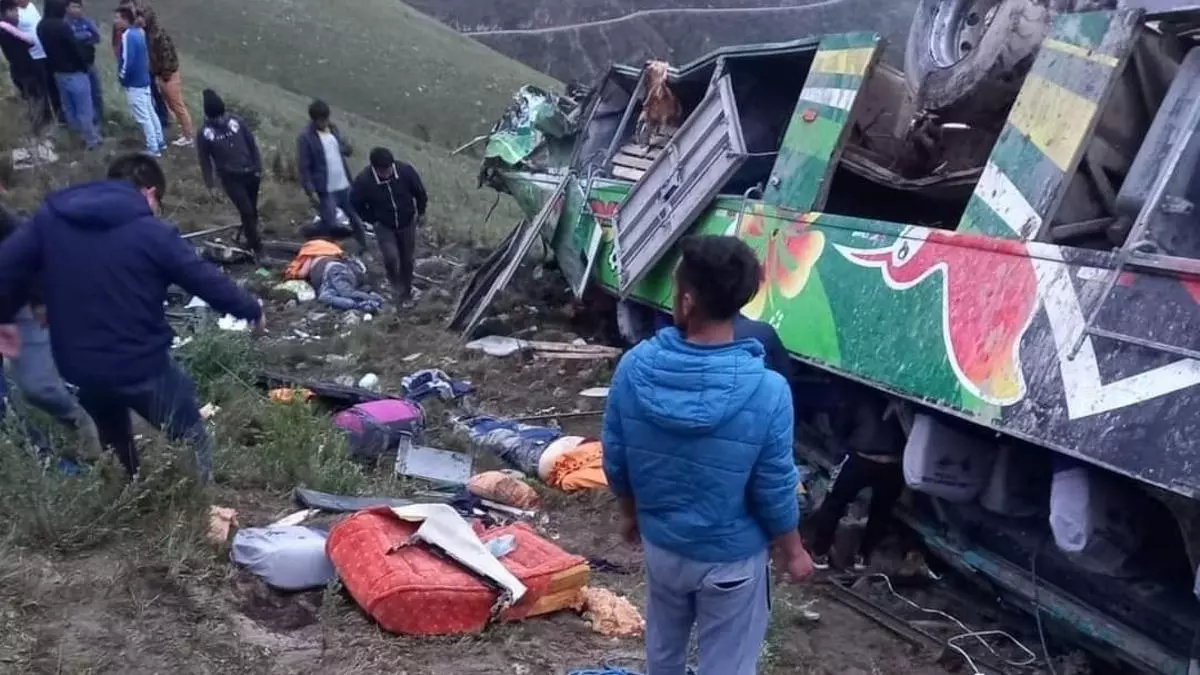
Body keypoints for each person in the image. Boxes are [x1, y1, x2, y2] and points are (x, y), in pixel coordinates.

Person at [602, 235, 814, 675]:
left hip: (663, 547)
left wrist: (629, 515)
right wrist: (793, 551)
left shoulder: (634, 367)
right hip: (731, 562)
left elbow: (616, 458)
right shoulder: (768, 390)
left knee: (663, 654)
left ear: (687, 299)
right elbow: (774, 487)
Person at [0, 153, 263, 484]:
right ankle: (200, 499)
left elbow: (6, 268)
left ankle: (127, 488)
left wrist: (7, 316)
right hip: (141, 364)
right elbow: (205, 279)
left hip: (82, 368)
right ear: (149, 192)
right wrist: (251, 309)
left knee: (114, 438)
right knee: (190, 434)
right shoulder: (152, 233)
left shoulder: (49, 220)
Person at [0, 203, 102, 458]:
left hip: (16, 303)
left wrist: (39, 300)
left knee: (38, 386)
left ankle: (83, 422)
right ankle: (36, 456)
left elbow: (27, 248)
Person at [805, 390, 906, 571]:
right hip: (893, 462)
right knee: (881, 511)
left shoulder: (862, 396)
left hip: (861, 458)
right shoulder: (905, 402)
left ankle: (820, 552)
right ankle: (864, 557)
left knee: (834, 502)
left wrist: (842, 446)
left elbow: (841, 426)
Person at [350, 147, 427, 308]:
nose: (387, 173)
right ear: (374, 168)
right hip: (384, 225)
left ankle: (406, 291)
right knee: (391, 257)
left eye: (389, 168)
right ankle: (394, 283)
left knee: (407, 258)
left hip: (407, 222)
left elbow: (420, 192)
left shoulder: (405, 171)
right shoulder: (364, 181)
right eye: (382, 170)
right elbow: (355, 202)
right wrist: (371, 219)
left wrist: (421, 212)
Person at [196, 89, 263, 258]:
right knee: (246, 210)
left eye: (222, 115)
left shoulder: (237, 122)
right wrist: (210, 184)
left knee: (252, 210)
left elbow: (251, 144)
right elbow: (204, 160)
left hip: (250, 173)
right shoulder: (204, 133)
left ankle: (250, 237)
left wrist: (258, 168)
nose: (220, 120)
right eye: (216, 117)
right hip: (230, 178)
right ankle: (257, 246)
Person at [297, 99, 368, 253]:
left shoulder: (334, 130)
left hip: (344, 185)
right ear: (314, 119)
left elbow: (345, 150)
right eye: (321, 120)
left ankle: (363, 248)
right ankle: (327, 250)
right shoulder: (306, 137)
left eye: (326, 119)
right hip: (325, 189)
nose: (325, 123)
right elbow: (304, 167)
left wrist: (347, 147)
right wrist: (311, 191)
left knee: (356, 219)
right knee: (330, 223)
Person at [37, 0, 100, 148]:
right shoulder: (62, 26)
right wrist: (83, 66)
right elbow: (74, 49)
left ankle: (75, 137)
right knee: (84, 109)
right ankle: (92, 141)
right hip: (75, 72)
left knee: (69, 107)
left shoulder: (41, 26)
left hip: (58, 72)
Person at [111, 0, 167, 132]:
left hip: (138, 73)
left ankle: (155, 135)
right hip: (137, 70)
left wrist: (123, 77)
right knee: (147, 106)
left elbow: (132, 59)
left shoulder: (133, 32)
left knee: (147, 107)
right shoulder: (133, 31)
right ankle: (156, 134)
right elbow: (116, 41)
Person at [139, 5, 191, 146]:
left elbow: (167, 54)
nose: (140, 20)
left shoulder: (158, 35)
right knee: (172, 105)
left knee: (177, 105)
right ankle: (184, 131)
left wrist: (166, 74)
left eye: (142, 17)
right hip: (160, 74)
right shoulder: (146, 34)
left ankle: (188, 136)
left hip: (168, 75)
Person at [15, 0, 63, 124]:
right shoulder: (14, 13)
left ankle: (58, 113)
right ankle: (45, 116)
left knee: (53, 85)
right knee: (41, 88)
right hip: (33, 56)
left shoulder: (31, 6)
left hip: (47, 52)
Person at [65, 0, 101, 127]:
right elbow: (70, 40)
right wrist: (85, 35)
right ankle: (82, 124)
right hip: (75, 66)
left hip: (89, 62)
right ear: (67, 8)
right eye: (73, 7)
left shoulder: (87, 21)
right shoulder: (65, 23)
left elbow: (97, 37)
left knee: (96, 92)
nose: (76, 10)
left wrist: (81, 38)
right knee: (81, 96)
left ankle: (98, 120)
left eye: (78, 7)